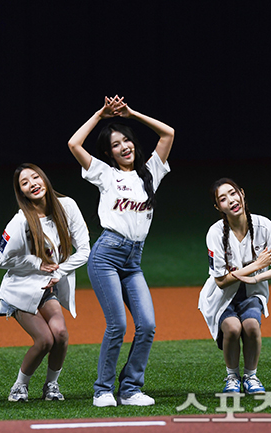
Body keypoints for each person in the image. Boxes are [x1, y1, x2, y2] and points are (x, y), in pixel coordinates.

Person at [67, 96, 174, 407]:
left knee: (147, 325)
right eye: (116, 144)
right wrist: (99, 114)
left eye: (126, 140)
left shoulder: (150, 172)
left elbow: (168, 133)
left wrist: (132, 114)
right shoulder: (105, 173)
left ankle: (129, 390)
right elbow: (74, 144)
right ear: (108, 153)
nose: (124, 147)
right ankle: (102, 390)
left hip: (133, 260)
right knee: (118, 326)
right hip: (106, 256)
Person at [0, 163, 90, 402]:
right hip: (19, 290)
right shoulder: (20, 221)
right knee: (45, 340)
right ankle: (19, 387)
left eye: (35, 177)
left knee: (61, 334)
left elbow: (84, 250)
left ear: (44, 179)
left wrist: (60, 272)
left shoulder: (67, 206)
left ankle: (51, 386)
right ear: (22, 192)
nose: (32, 184)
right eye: (25, 183)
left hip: (46, 287)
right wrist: (36, 263)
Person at [198, 178, 271, 395]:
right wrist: (257, 266)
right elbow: (221, 281)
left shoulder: (263, 225)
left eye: (233, 193)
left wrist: (257, 278)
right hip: (222, 296)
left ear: (242, 193)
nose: (231, 200)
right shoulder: (215, 233)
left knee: (251, 326)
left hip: (252, 293)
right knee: (232, 328)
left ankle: (251, 376)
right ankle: (232, 377)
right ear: (218, 207)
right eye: (223, 199)